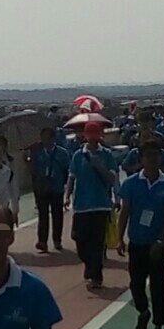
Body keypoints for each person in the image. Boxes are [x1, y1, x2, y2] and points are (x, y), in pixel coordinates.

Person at [117, 141, 164, 329]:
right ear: (141, 159)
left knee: (158, 287)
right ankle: (143, 311)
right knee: (136, 284)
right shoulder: (131, 183)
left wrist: (161, 239)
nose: (152, 159)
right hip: (137, 242)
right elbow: (125, 211)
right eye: (148, 155)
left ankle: (158, 327)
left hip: (157, 244)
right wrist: (119, 238)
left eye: (156, 155)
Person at [65, 122, 118, 290]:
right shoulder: (78, 155)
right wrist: (67, 197)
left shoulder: (107, 155)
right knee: (80, 240)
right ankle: (89, 265)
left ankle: (96, 275)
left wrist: (99, 166)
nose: (93, 139)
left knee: (97, 243)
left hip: (100, 205)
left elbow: (112, 179)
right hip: (81, 205)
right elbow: (72, 177)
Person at [29, 128, 71, 253]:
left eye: (47, 138)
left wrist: (64, 184)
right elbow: (33, 171)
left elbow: (67, 170)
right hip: (42, 188)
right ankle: (42, 241)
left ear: (53, 138)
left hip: (56, 188)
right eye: (43, 138)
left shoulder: (62, 153)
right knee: (43, 215)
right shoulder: (37, 153)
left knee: (57, 215)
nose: (44, 141)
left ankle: (57, 240)